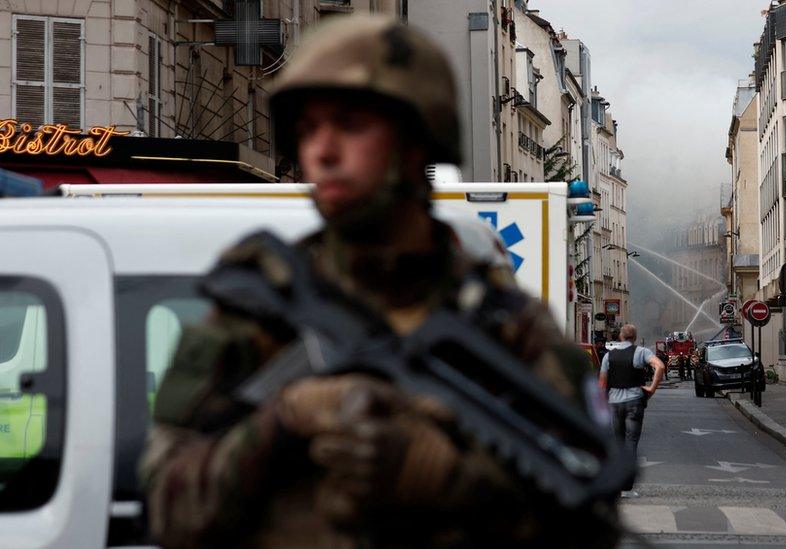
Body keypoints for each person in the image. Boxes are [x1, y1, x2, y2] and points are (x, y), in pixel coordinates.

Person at [139, 15, 617, 548]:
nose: (322, 151)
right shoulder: (258, 302)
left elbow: (591, 521)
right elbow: (169, 511)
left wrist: (446, 478)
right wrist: (282, 420)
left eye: (349, 124)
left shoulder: (503, 325)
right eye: (308, 129)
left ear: (418, 140)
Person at [598, 324, 666, 498]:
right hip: (634, 402)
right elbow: (660, 366)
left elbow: (602, 384)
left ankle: (615, 485)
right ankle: (626, 486)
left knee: (616, 443)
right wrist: (651, 388)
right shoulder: (641, 352)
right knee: (631, 443)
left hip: (614, 403)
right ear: (635, 338)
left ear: (621, 336)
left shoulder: (608, 356)